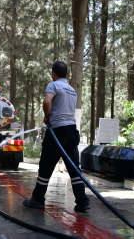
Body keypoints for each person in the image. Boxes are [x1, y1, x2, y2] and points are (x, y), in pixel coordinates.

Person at [23, 61, 90, 212]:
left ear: (54, 73)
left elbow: (47, 101)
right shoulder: (72, 90)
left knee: (45, 167)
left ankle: (38, 199)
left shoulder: (53, 85)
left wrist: (47, 116)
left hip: (57, 133)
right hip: (72, 132)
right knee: (74, 169)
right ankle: (82, 202)